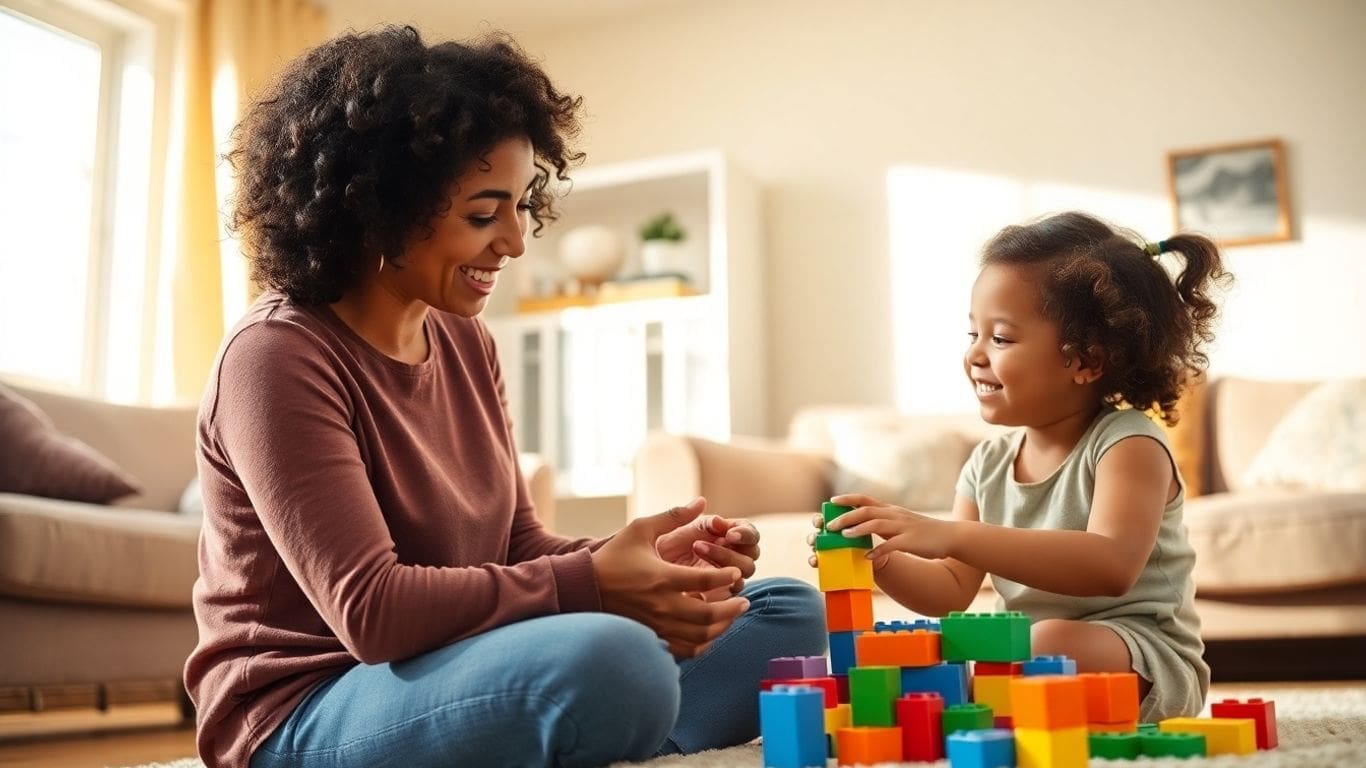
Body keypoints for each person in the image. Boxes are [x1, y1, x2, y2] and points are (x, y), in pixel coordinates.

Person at [184, 25, 825, 768]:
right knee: (614, 660)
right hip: (306, 708)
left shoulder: (462, 339)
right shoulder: (276, 356)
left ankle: (609, 739)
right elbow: (374, 613)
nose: (516, 241)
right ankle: (605, 722)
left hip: (457, 663)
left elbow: (520, 547)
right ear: (379, 210)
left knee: (784, 612)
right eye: (484, 214)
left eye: (522, 206)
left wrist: (647, 559)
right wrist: (595, 582)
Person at [816, 211, 1230, 722]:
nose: (975, 356)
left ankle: (980, 702)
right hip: (1021, 658)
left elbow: (1110, 565)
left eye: (1002, 339)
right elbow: (949, 589)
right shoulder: (986, 464)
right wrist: (879, 555)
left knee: (1044, 642)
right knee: (988, 649)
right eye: (973, 334)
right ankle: (978, 707)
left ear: (1085, 361)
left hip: (1140, 656)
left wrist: (949, 534)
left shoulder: (1129, 444)